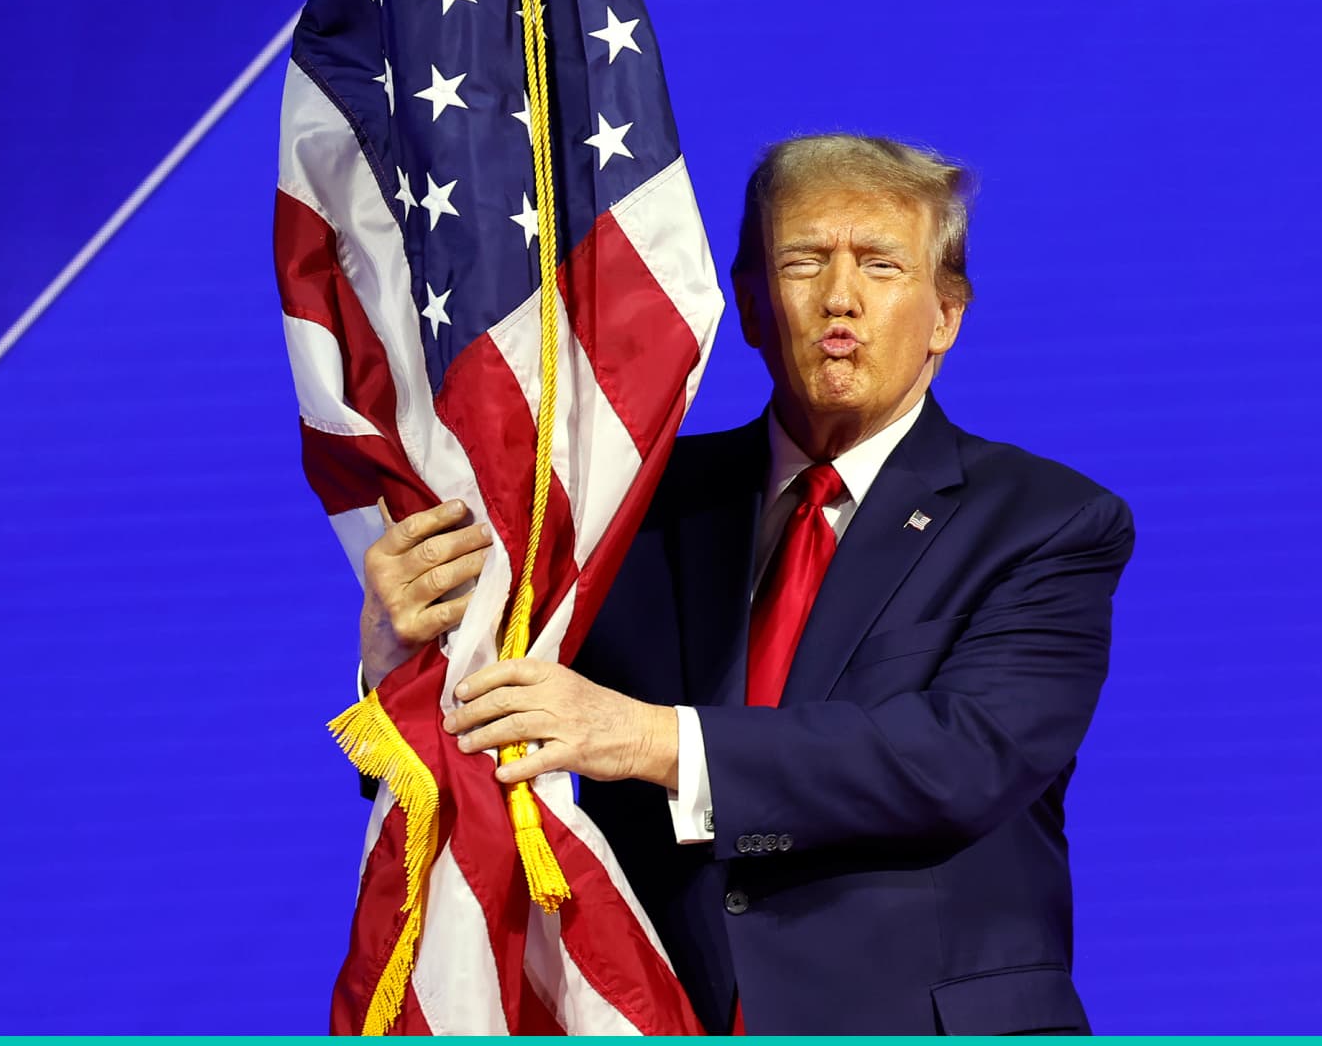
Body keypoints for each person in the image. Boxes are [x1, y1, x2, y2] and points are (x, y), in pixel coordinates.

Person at [359, 135, 1135, 1035]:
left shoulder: (1047, 521)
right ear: (755, 307)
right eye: (803, 262)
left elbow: (959, 759)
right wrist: (399, 654)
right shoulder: (629, 511)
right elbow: (481, 751)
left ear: (946, 316)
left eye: (880, 265)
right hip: (663, 1014)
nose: (839, 298)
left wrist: (649, 740)